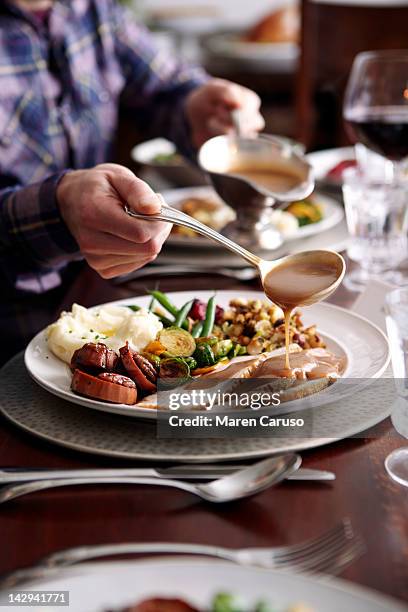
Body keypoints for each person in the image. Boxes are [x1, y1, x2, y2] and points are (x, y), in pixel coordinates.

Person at [0, 0, 264, 364]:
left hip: (103, 311)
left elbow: (166, 88)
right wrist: (57, 210)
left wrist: (198, 107)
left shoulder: (92, 9)